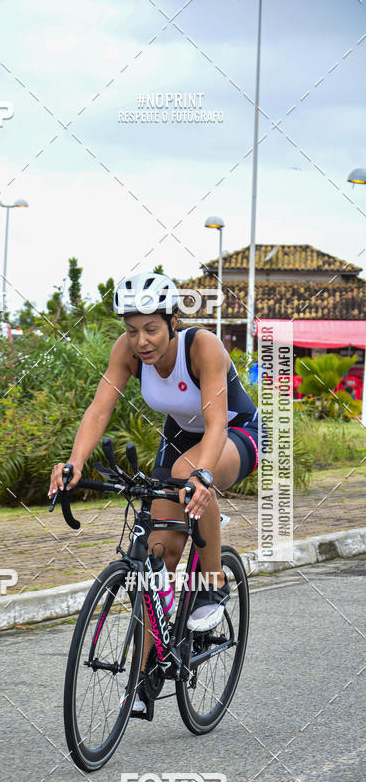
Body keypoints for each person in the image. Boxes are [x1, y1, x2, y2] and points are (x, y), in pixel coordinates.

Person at [48, 272, 266, 714]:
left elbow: (217, 421)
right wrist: (75, 463)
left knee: (188, 474)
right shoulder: (127, 351)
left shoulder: (202, 346)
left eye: (151, 329)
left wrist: (203, 476)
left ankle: (213, 585)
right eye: (132, 330)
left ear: (173, 320)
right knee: (158, 553)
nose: (141, 341)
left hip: (234, 433)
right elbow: (99, 408)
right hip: (181, 436)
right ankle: (147, 667)